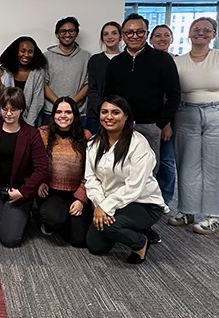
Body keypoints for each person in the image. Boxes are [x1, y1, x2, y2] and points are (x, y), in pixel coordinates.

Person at [169, 17, 219, 235]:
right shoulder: (178, 61)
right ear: (189, 34)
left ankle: (213, 215)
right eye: (196, 29)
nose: (201, 33)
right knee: (187, 164)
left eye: (206, 30)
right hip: (186, 113)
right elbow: (171, 94)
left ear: (213, 34)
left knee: (217, 165)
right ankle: (187, 210)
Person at [85, 95, 165, 264]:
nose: (109, 117)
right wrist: (100, 205)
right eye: (104, 112)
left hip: (143, 203)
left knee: (108, 226)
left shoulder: (138, 143)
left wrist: (105, 207)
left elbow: (134, 187)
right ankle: (130, 227)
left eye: (116, 112)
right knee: (95, 246)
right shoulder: (93, 142)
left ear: (126, 116)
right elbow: (91, 179)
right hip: (110, 203)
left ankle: (140, 242)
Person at [105, 13, 181, 168]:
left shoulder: (162, 59)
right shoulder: (115, 63)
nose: (134, 36)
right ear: (123, 36)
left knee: (148, 173)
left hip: (150, 125)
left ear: (147, 34)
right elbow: (108, 95)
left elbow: (174, 94)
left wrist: (160, 124)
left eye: (140, 32)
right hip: (121, 125)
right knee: (119, 168)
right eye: (129, 32)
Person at [0, 87, 48, 247]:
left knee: (9, 240)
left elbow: (42, 169)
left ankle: (21, 217)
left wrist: (23, 192)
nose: (8, 114)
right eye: (4, 109)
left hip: (18, 190)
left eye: (13, 109)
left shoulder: (32, 134)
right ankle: (6, 216)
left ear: (21, 109)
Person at [37, 97, 92, 247]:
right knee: (55, 219)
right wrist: (39, 181)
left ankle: (67, 220)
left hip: (76, 193)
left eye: (68, 112)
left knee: (79, 240)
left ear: (75, 115)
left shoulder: (86, 136)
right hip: (51, 192)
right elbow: (33, 163)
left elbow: (92, 172)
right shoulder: (42, 133)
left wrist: (81, 199)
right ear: (53, 114)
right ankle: (49, 220)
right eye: (59, 112)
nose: (63, 116)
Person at [43, 16, 91, 125]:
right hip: (51, 112)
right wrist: (59, 104)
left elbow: (88, 84)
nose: (67, 34)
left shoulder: (86, 56)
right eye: (63, 31)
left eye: (71, 31)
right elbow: (43, 84)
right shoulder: (47, 56)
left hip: (78, 112)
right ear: (57, 34)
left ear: (76, 33)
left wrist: (71, 104)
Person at [149, 24, 175, 209]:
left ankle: (164, 200)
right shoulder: (147, 60)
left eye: (166, 35)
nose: (162, 38)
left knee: (165, 161)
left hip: (166, 120)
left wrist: (166, 123)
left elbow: (174, 95)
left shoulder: (176, 61)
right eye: (158, 35)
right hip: (149, 120)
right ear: (151, 40)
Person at [0, 36, 47, 126]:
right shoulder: (5, 71)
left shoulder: (37, 72)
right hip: (7, 119)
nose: (26, 55)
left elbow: (37, 101)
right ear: (16, 51)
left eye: (30, 52)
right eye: (22, 51)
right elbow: (2, 99)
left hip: (31, 121)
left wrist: (28, 125)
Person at [85, 21, 122, 135]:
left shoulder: (127, 60)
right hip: (95, 115)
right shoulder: (95, 60)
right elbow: (92, 88)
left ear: (121, 36)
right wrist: (103, 111)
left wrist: (117, 112)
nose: (109, 37)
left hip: (120, 115)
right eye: (105, 34)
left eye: (114, 33)